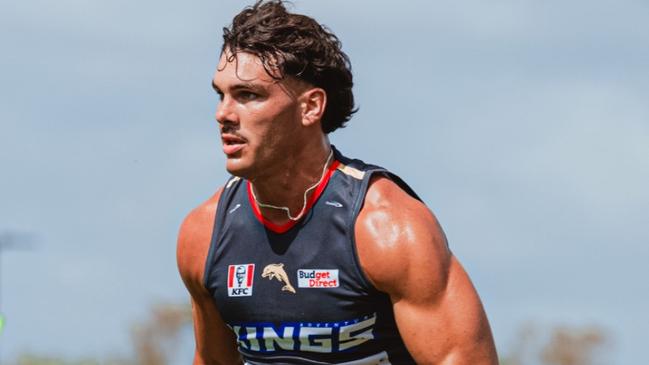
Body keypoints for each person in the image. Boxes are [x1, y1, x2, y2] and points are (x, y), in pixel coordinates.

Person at [177, 1, 498, 364]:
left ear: (310, 107)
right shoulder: (203, 235)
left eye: (248, 95)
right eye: (221, 95)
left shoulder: (385, 228)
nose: (224, 114)